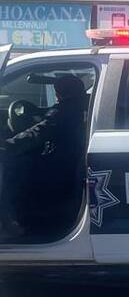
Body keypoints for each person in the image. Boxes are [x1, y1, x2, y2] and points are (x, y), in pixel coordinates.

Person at [0, 75, 89, 238]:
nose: (56, 95)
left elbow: (38, 133)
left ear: (61, 94)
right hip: (70, 161)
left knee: (15, 168)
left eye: (57, 92)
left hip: (61, 166)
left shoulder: (63, 111)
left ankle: (17, 223)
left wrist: (8, 145)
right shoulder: (81, 106)